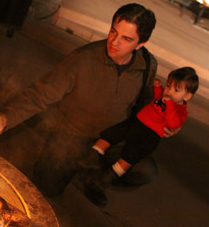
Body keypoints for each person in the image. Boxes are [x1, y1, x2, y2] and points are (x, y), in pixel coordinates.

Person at [0, 4, 158, 197]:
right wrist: (5, 119)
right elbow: (40, 95)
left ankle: (93, 177)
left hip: (111, 140)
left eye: (126, 39)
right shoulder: (82, 59)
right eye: (113, 31)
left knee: (144, 170)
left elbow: (147, 104)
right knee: (45, 191)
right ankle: (74, 166)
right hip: (71, 137)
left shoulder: (147, 65)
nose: (114, 42)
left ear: (140, 44)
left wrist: (164, 117)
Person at [83, 65, 199, 207]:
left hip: (148, 136)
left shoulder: (179, 111)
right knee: (111, 134)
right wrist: (157, 88)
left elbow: (174, 123)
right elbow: (157, 97)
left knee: (129, 157)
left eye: (176, 90)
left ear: (187, 96)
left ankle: (102, 182)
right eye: (168, 86)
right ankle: (89, 158)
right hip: (136, 122)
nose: (168, 91)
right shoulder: (163, 95)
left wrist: (170, 105)